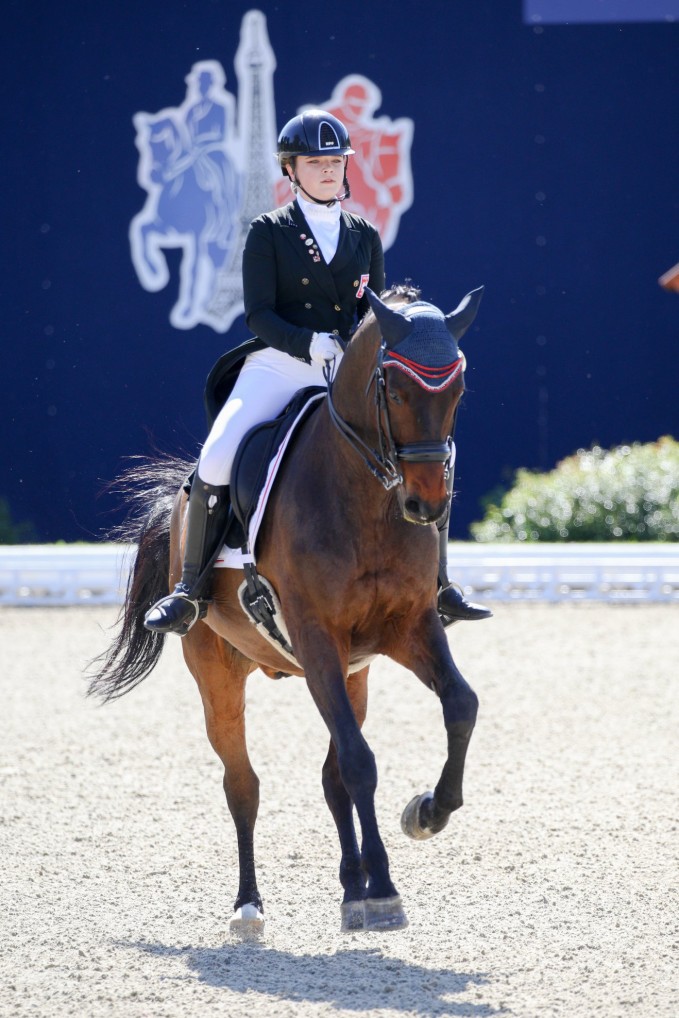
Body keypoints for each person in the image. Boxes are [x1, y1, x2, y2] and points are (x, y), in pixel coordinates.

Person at [144, 109, 490, 636]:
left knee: (431, 449)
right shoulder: (269, 231)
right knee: (216, 454)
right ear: (291, 169)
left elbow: (371, 314)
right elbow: (258, 314)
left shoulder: (363, 234)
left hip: (343, 372)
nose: (328, 170)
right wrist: (308, 343)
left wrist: (359, 350)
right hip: (280, 364)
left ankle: (439, 582)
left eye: (335, 161)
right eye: (314, 162)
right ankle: (190, 589)